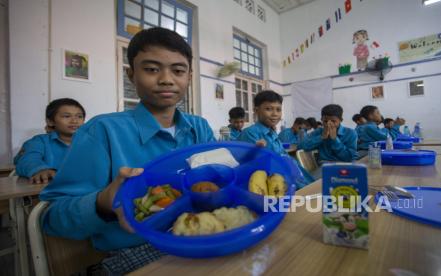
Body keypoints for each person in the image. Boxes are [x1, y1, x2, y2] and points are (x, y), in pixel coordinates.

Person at [40, 27, 215, 274]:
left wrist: (247, 163)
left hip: (201, 237)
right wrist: (102, 202)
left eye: (178, 70)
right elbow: (52, 218)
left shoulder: (200, 127)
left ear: (189, 76)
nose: (166, 79)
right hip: (136, 254)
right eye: (152, 69)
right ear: (131, 75)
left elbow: (215, 182)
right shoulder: (102, 131)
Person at [239, 90, 313, 188]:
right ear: (256, 111)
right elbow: (253, 166)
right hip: (272, 185)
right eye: (268, 109)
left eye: (278, 110)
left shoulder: (272, 132)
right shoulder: (250, 133)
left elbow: (284, 156)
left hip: (292, 179)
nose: (275, 114)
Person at [14, 98, 85, 184]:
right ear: (50, 121)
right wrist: (40, 169)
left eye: (79, 116)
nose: (74, 121)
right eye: (66, 116)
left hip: (84, 189)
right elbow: (27, 160)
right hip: (49, 192)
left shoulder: (91, 143)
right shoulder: (38, 142)